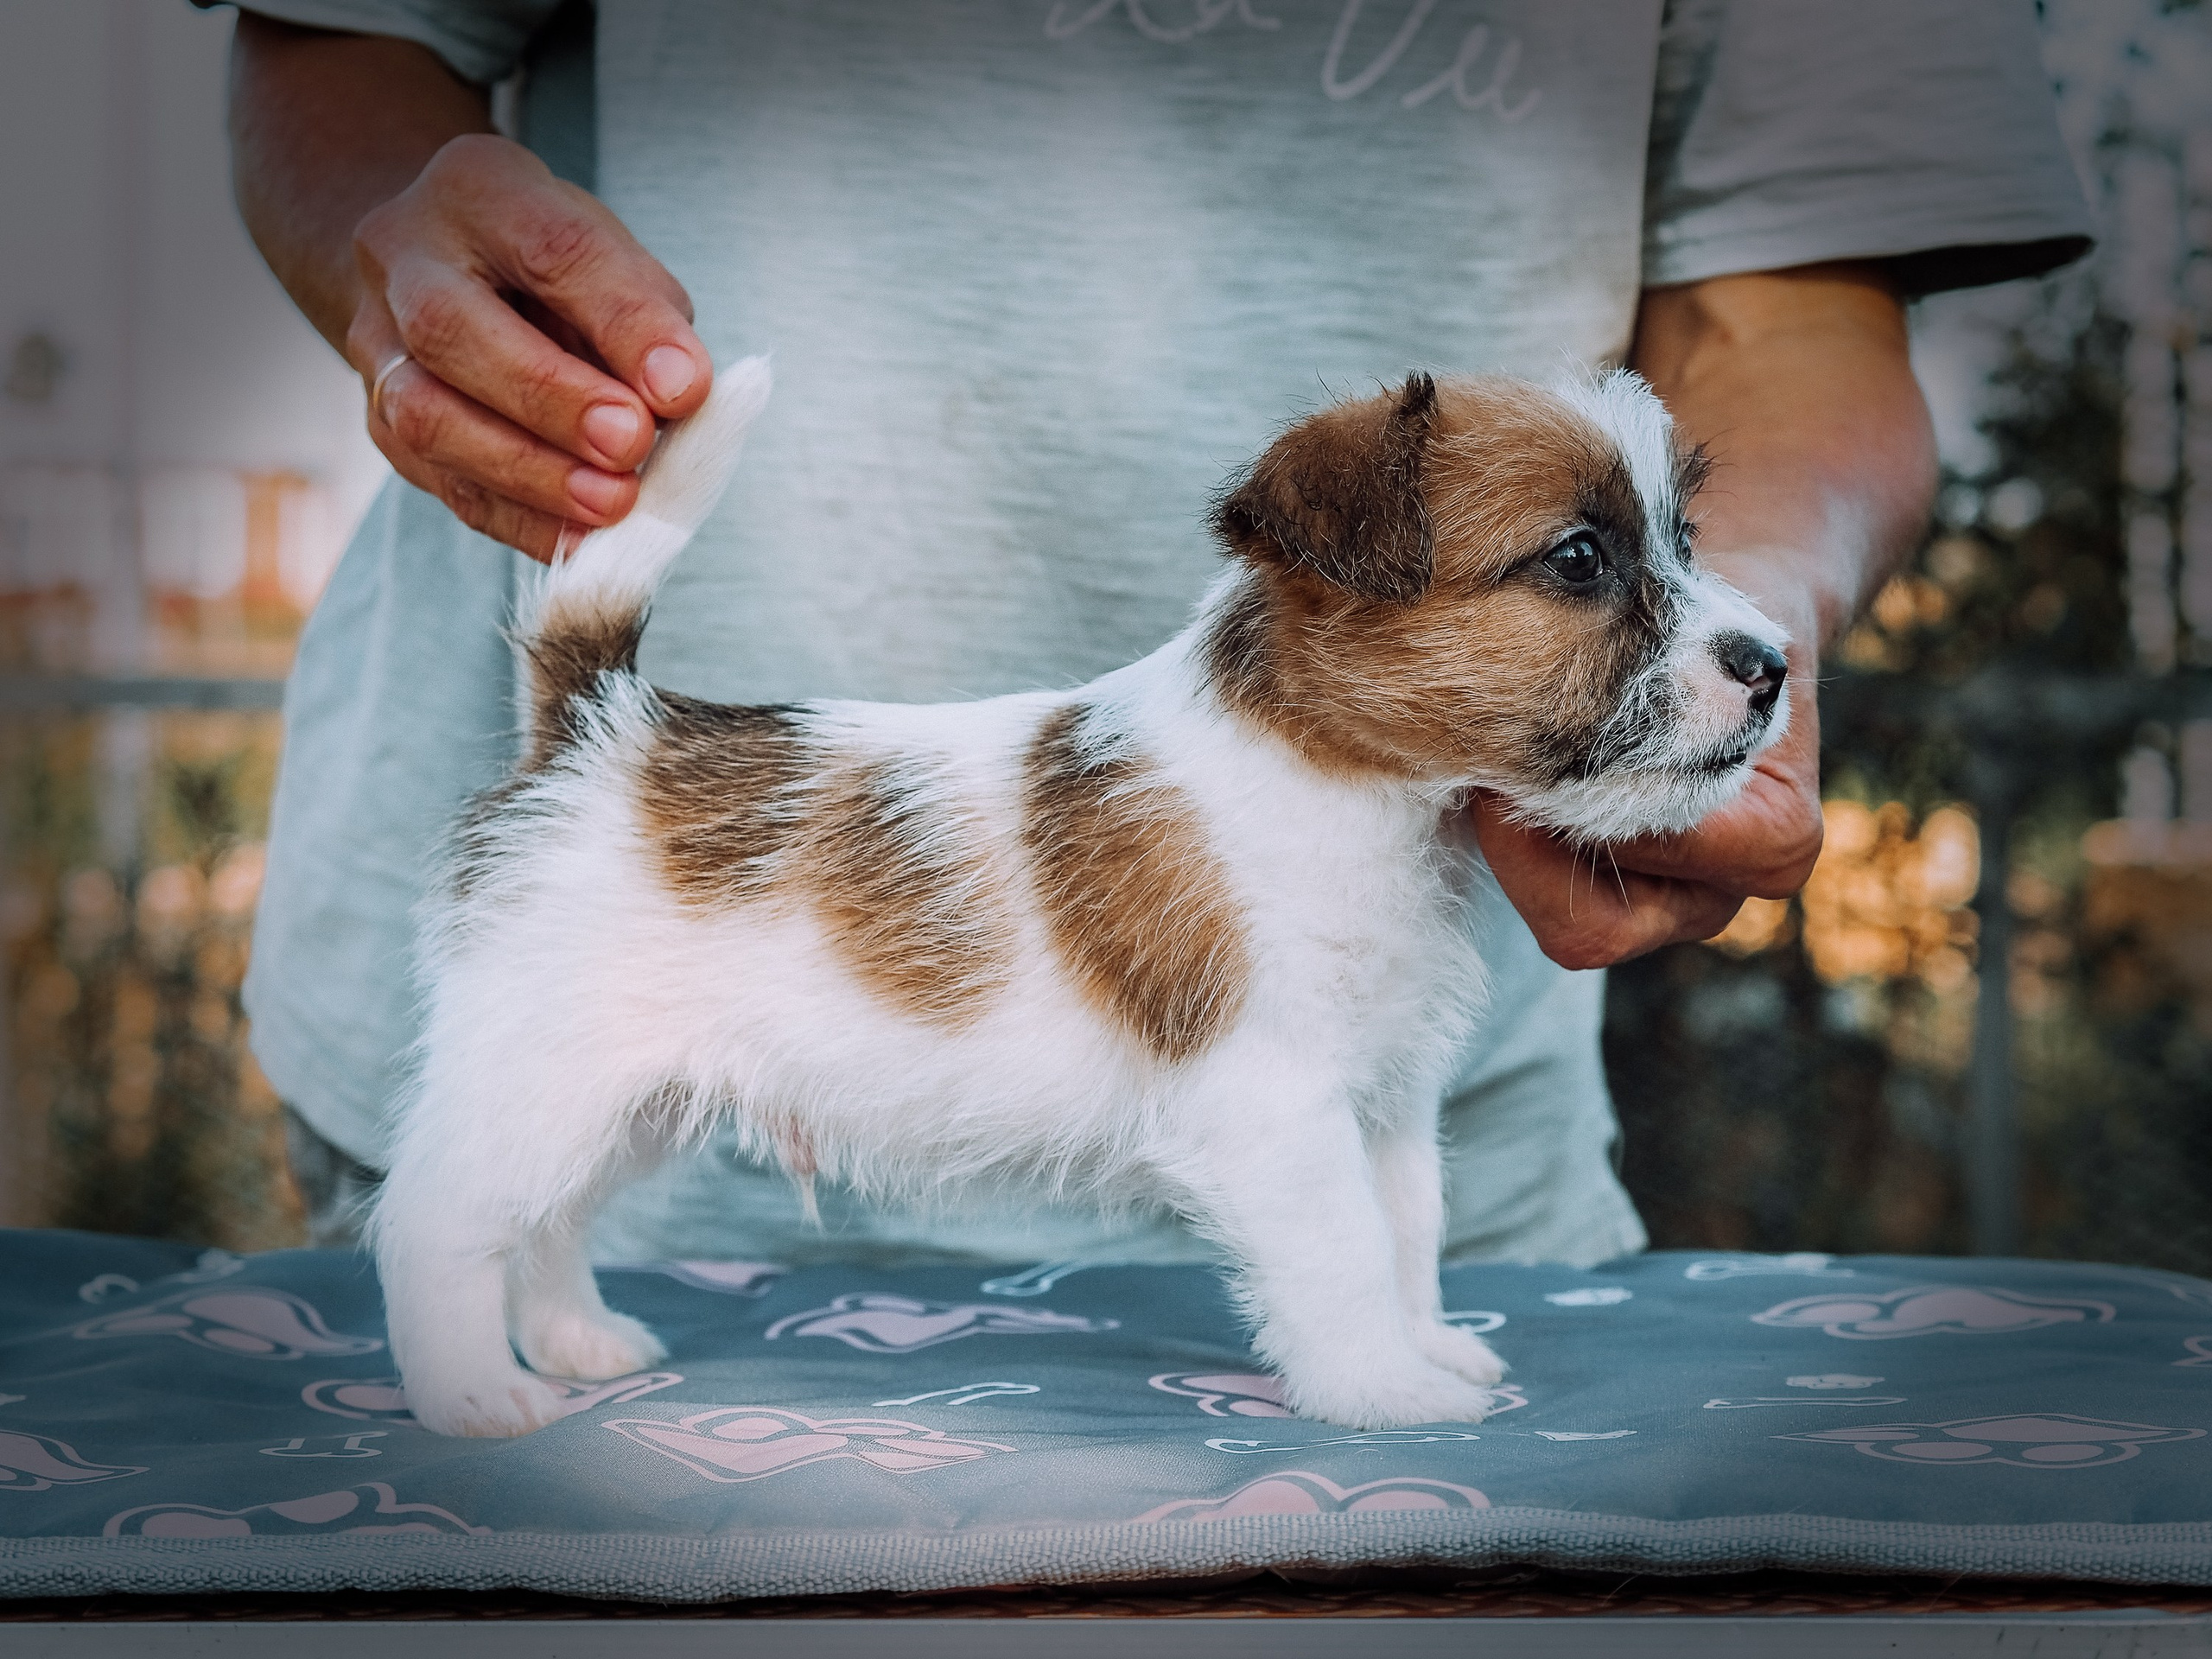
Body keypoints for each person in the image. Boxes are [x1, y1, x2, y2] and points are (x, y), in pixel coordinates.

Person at [220, 0, 2089, 1263]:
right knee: (512, 1225)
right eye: (1603, 570)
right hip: (645, 980)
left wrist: (1741, 593)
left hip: (1458, 1160)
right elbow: (335, 52)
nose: (1703, 623)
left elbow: (1789, 326)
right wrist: (405, 249)